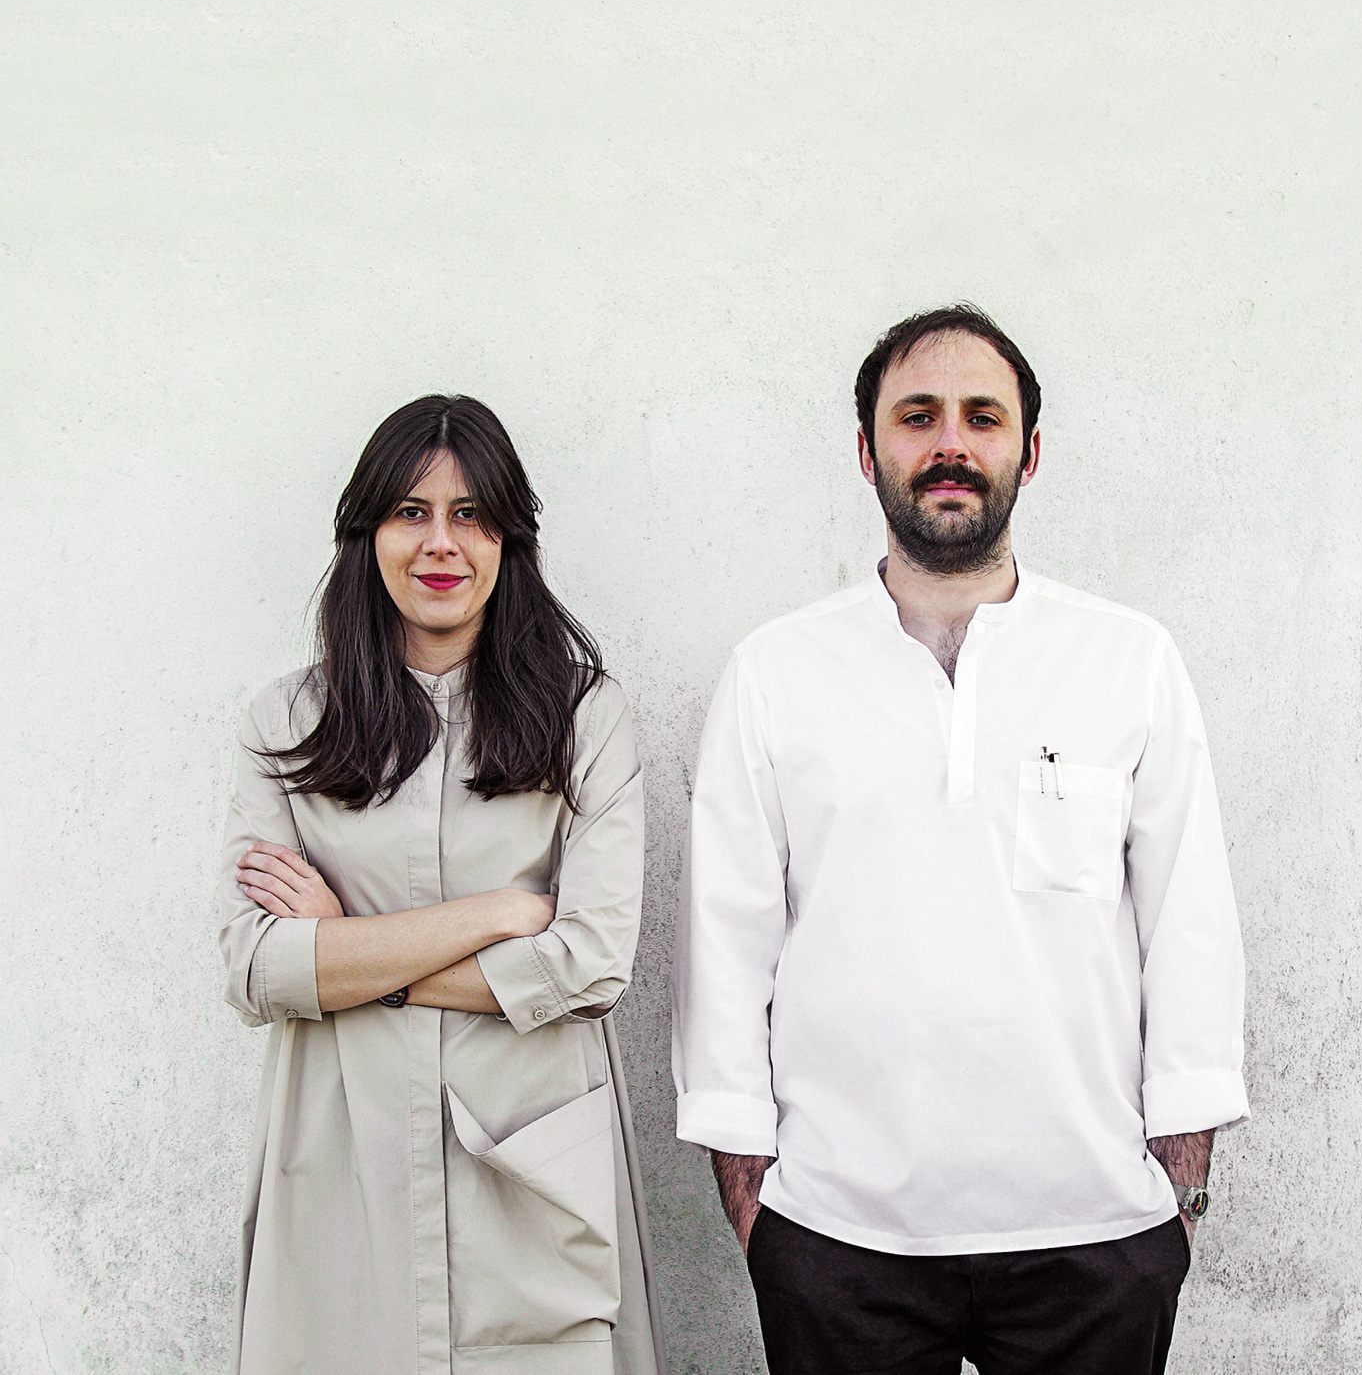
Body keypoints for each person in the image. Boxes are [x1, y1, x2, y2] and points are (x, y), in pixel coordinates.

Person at [671, 305, 1248, 1374]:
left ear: (1027, 452)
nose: (949, 444)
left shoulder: (1127, 660)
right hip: (840, 1236)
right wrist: (762, 1217)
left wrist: (1177, 1199)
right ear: (866, 449)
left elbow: (1189, 927)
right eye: (916, 416)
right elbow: (724, 943)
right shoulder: (775, 672)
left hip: (1095, 1234)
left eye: (982, 417)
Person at [219, 396, 666, 1375]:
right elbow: (256, 967)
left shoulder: (584, 720)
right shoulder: (285, 722)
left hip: (532, 1164)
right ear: (365, 532)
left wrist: (348, 950)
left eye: (470, 513)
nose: (440, 542)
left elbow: (591, 960)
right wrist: (499, 916)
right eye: (409, 512)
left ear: (509, 535)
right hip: (344, 1162)